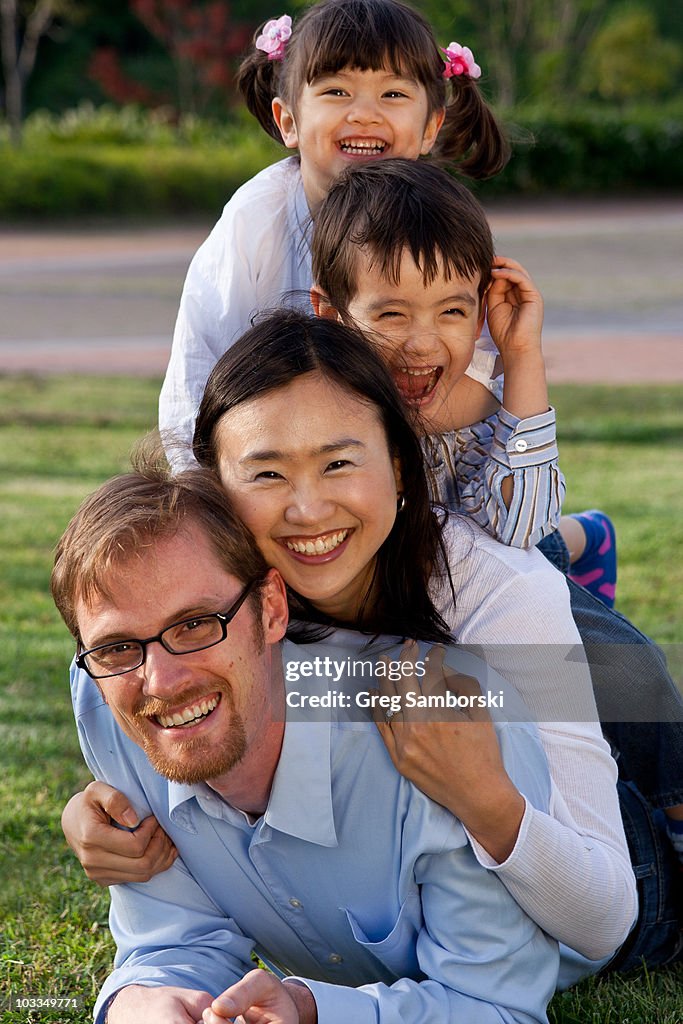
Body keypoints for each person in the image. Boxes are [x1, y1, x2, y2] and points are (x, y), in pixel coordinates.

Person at [64, 312, 645, 970]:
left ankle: (565, 554)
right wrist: (103, 804)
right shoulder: (229, 603)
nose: (307, 510)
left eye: (338, 462)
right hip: (437, 847)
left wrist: (487, 802)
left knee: (631, 702)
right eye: (265, 474)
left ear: (399, 466)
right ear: (214, 489)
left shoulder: (500, 597)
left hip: (586, 823)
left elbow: (606, 921)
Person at [53, 461, 561, 1024]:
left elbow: (498, 1007)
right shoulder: (105, 699)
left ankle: (578, 543)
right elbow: (173, 941)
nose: (161, 682)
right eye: (118, 646)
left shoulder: (438, 729)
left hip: (626, 878)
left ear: (271, 609)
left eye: (196, 624)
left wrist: (311, 1009)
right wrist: (143, 1003)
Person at [308, 157, 683, 868]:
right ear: (330, 313)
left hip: (512, 572)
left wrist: (520, 355)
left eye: (452, 312)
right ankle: (587, 545)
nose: (422, 341)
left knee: (623, 666)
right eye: (390, 313)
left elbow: (520, 525)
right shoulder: (314, 417)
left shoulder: (465, 408)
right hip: (418, 603)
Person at [159, 0, 508, 467]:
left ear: (430, 127)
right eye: (337, 92)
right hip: (280, 454)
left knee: (473, 542)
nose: (364, 113)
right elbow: (199, 369)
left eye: (393, 95)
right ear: (289, 122)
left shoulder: (439, 225)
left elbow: (483, 381)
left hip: (433, 464)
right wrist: (201, 490)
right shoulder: (255, 220)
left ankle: (577, 537)